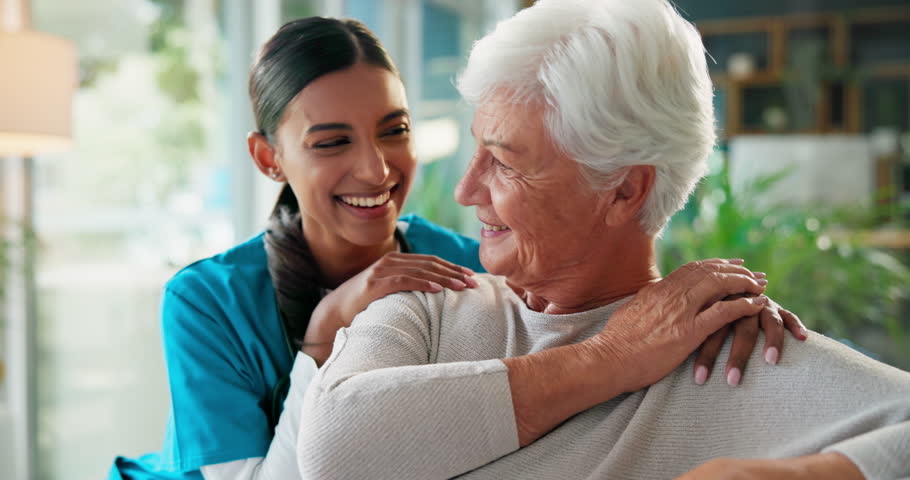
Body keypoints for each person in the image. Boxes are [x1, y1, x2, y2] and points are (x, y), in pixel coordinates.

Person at [109, 16, 799, 480]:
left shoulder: (463, 266)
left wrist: (710, 308)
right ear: (268, 160)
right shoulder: (207, 302)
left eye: (394, 130)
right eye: (331, 142)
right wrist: (324, 337)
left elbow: (579, 324)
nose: (376, 170)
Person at [296, 1, 910, 479]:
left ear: (623, 190)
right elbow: (334, 452)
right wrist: (609, 357)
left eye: (505, 163)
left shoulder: (739, 354)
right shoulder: (425, 312)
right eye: (476, 149)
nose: (465, 189)